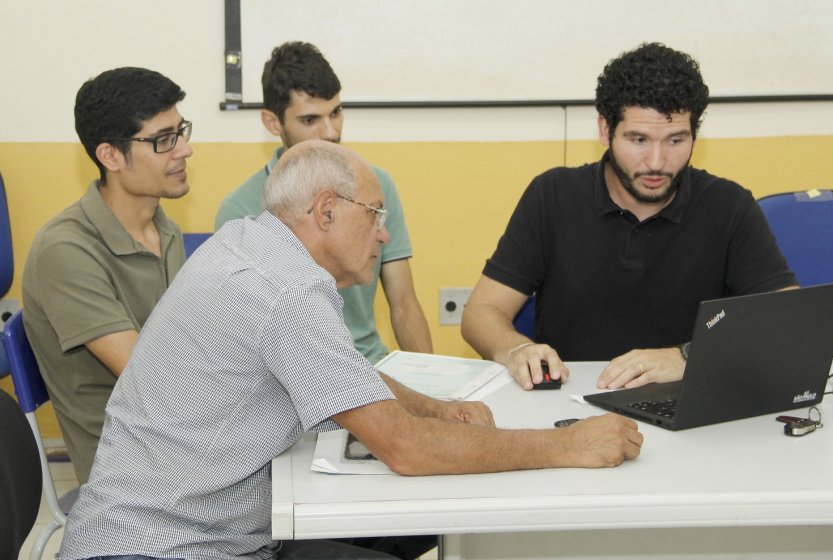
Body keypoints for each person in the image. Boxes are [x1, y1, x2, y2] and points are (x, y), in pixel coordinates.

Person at [57, 141, 643, 560]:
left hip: (195, 522)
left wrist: (436, 409)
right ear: (326, 212)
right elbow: (406, 450)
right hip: (174, 545)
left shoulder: (249, 243)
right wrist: (564, 444)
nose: (385, 234)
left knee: (417, 528)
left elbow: (345, 374)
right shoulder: (283, 291)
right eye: (376, 215)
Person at [461, 42, 798, 392]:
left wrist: (688, 356)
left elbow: (787, 319)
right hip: (570, 403)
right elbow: (480, 312)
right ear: (606, 130)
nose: (656, 161)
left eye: (675, 141)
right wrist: (517, 348)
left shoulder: (729, 205)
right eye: (638, 139)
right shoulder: (553, 195)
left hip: (689, 400)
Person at [22, 67, 192, 483]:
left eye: (181, 130)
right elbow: (157, 383)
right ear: (110, 156)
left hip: (185, 444)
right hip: (133, 476)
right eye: (163, 140)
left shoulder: (162, 227)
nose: (184, 150)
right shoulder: (65, 251)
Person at [216, 41, 431, 365]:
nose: (330, 132)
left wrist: (432, 389)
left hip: (371, 367)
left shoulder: (378, 186)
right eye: (309, 120)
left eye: (336, 112)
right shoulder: (240, 210)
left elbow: (403, 303)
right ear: (273, 123)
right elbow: (246, 332)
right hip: (291, 379)